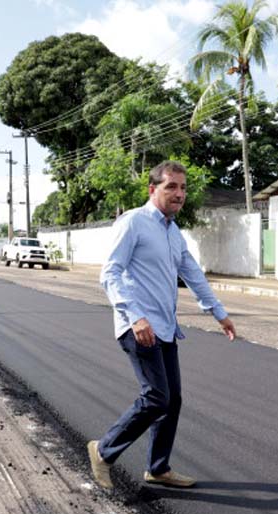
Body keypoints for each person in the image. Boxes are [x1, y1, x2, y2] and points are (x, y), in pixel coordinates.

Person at [88, 160, 237, 490]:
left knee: (173, 400)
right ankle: (103, 450)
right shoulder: (134, 222)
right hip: (138, 326)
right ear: (152, 189)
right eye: (171, 186)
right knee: (157, 397)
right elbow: (110, 273)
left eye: (183, 188)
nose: (179, 194)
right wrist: (135, 316)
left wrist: (218, 312)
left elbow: (192, 273)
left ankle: (158, 468)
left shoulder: (173, 233)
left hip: (165, 328)